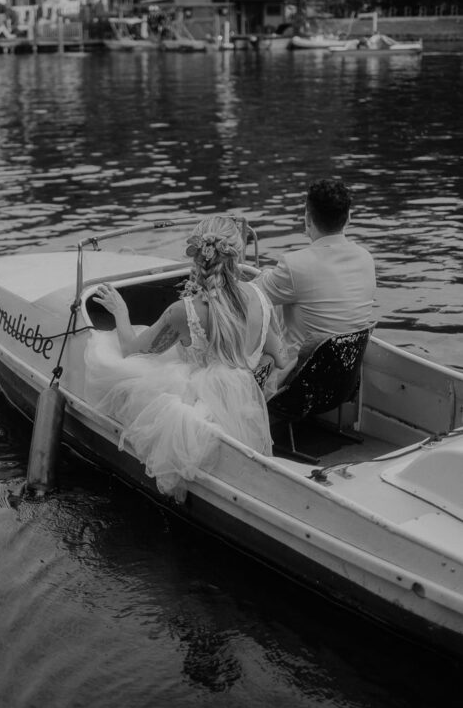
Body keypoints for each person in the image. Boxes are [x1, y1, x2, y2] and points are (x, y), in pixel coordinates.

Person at [83, 215, 290, 500]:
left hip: (198, 409)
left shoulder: (183, 311)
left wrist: (120, 311)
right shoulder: (260, 296)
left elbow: (131, 349)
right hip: (245, 409)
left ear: (197, 257)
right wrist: (248, 375)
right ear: (237, 253)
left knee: (114, 363)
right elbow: (279, 357)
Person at [256, 178, 376, 391]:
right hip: (345, 380)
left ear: (308, 219)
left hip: (299, 386)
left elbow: (253, 294)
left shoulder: (295, 265)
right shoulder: (366, 258)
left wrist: (267, 273)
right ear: (349, 218)